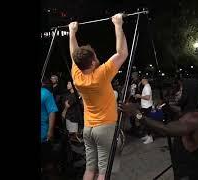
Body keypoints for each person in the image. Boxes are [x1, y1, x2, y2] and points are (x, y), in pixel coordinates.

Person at [68, 13, 128, 180]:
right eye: (94, 56)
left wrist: (72, 32)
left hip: (88, 129)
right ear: (93, 62)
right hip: (105, 128)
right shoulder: (101, 74)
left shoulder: (77, 76)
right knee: (103, 172)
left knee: (89, 169)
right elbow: (122, 53)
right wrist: (118, 24)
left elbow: (73, 53)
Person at [119, 79, 198, 180]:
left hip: (192, 174)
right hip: (184, 170)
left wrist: (136, 114)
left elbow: (165, 129)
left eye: (181, 90)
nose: (177, 93)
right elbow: (180, 115)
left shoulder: (194, 118)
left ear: (190, 93)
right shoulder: (190, 112)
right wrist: (168, 108)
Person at [41, 78, 59, 180]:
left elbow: (52, 112)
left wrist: (50, 131)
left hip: (42, 134)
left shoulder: (46, 93)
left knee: (46, 163)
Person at [135, 75, 154, 144]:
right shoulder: (146, 86)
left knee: (147, 122)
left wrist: (139, 96)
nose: (141, 81)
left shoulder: (147, 87)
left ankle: (150, 138)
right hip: (145, 107)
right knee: (144, 122)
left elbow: (148, 97)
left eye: (142, 80)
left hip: (147, 107)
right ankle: (147, 135)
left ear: (144, 80)